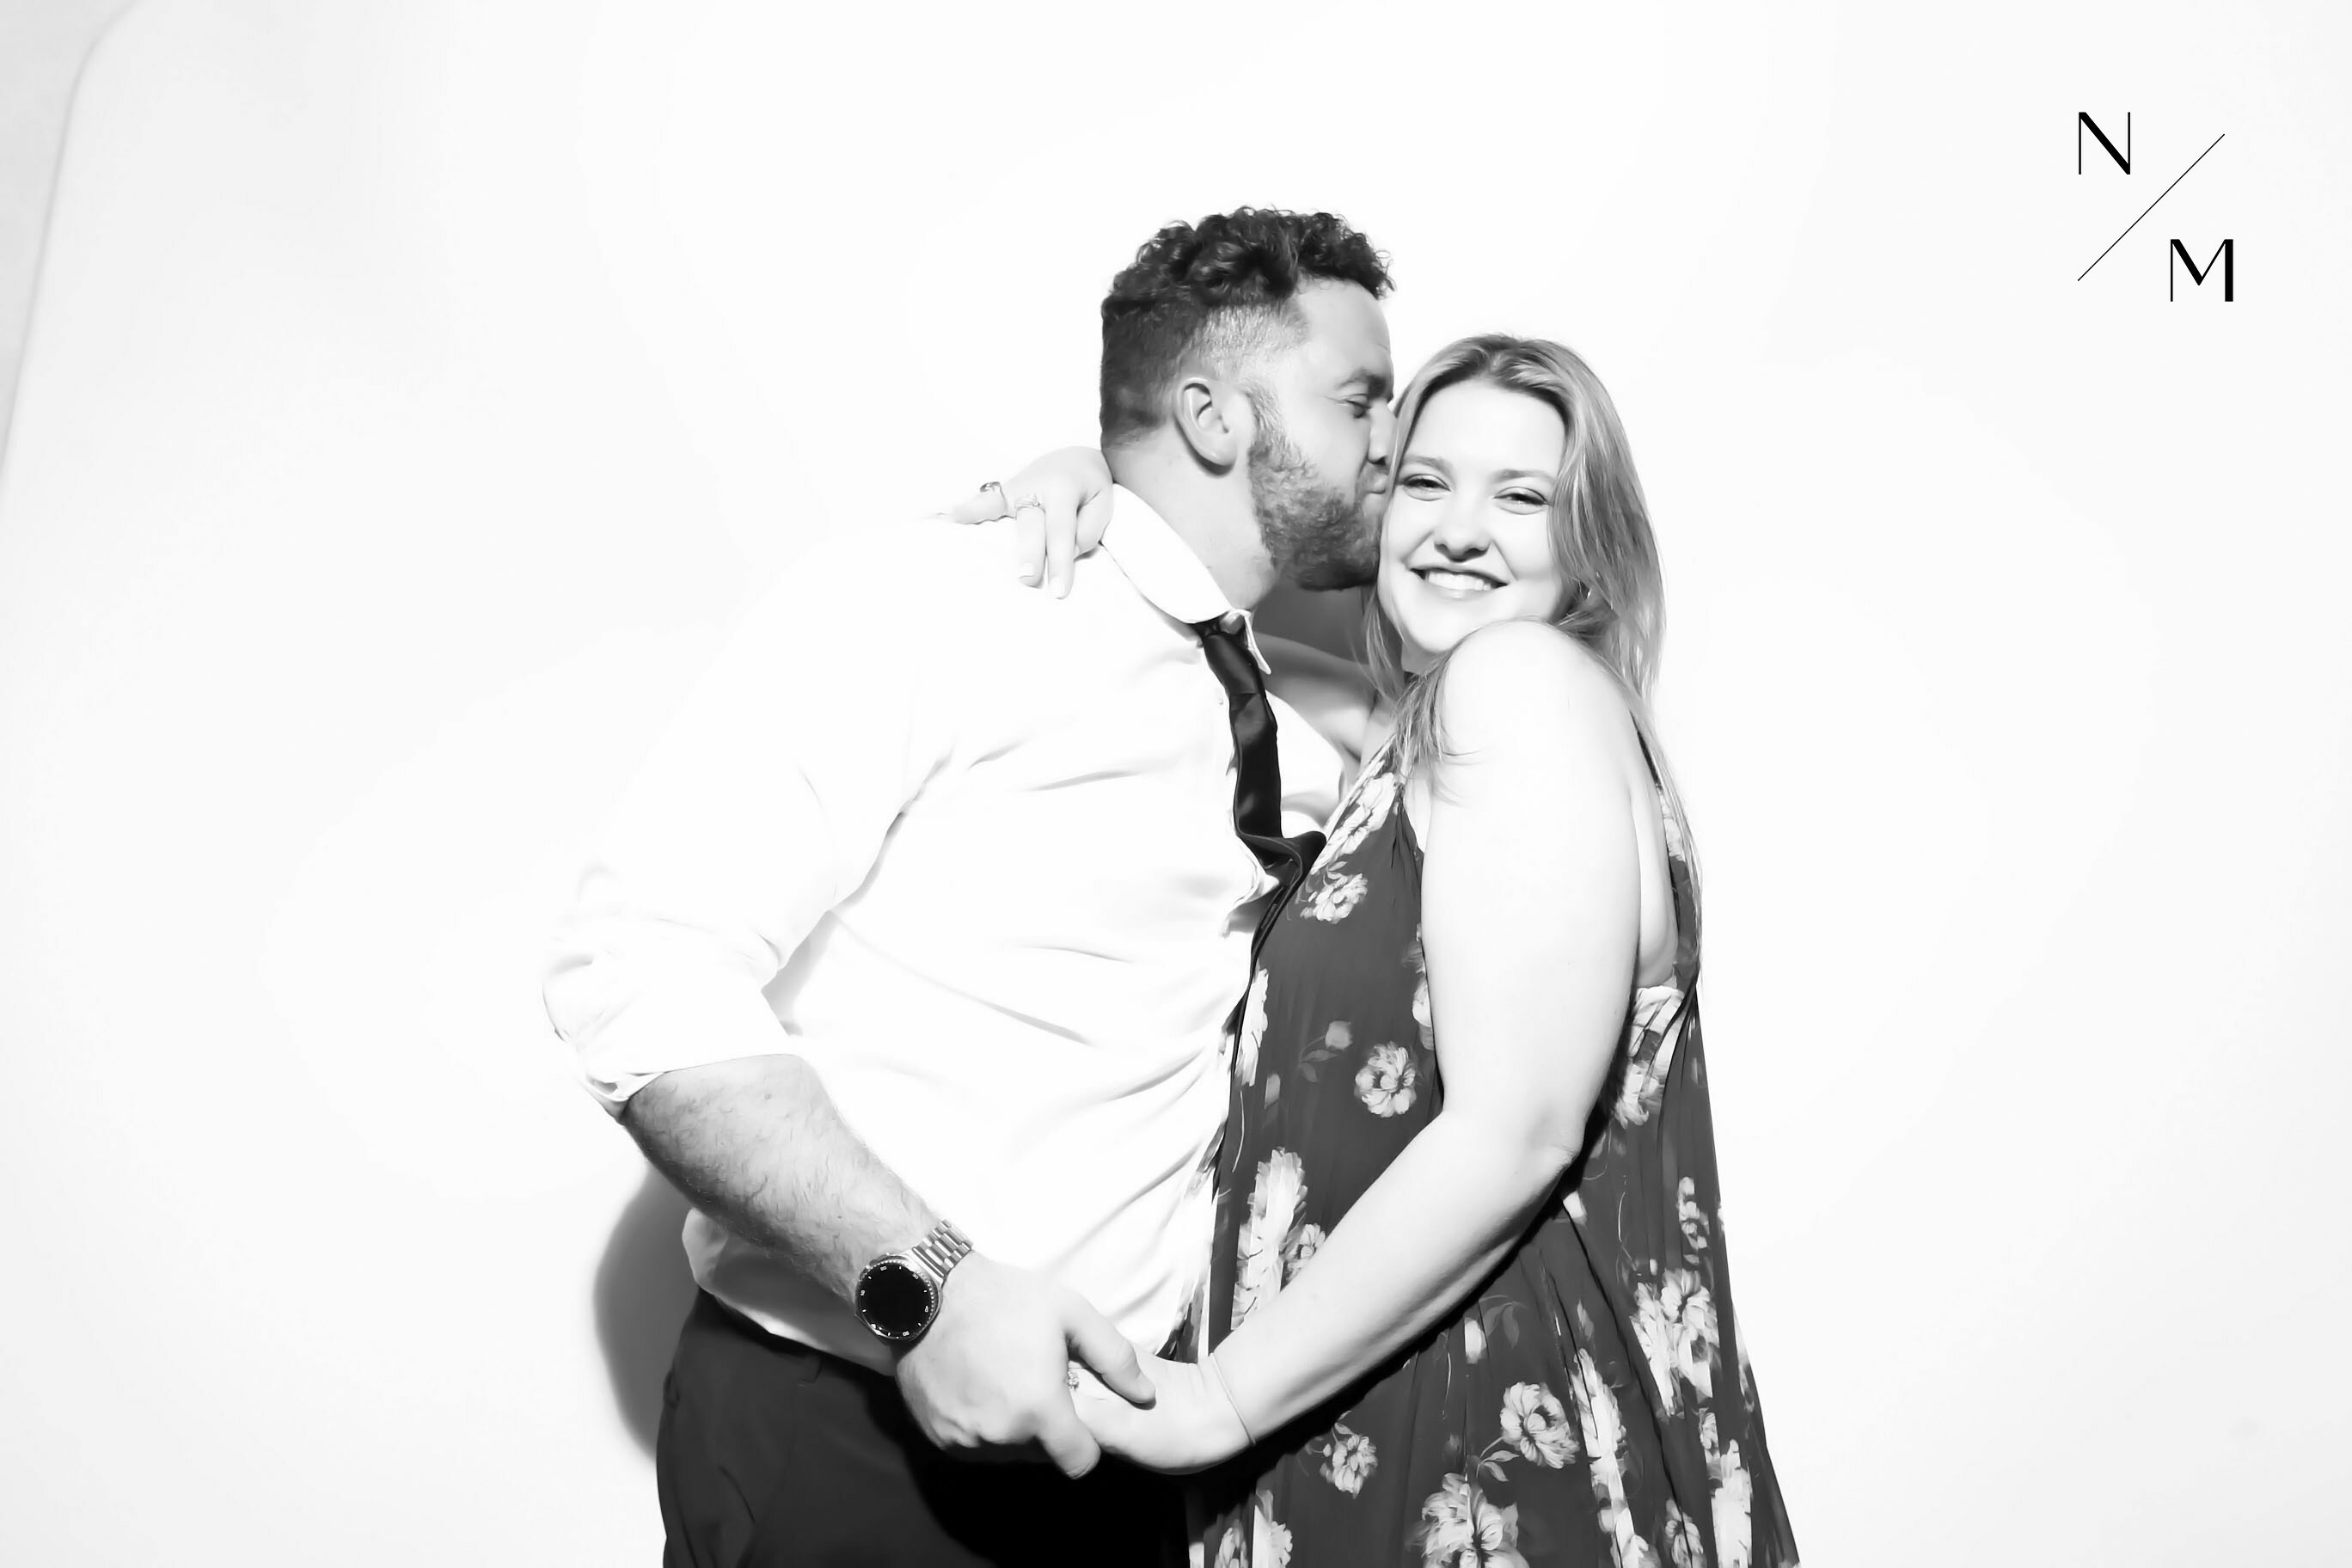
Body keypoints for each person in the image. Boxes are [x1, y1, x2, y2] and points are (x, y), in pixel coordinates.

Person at [541, 207, 1397, 1565]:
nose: (1394, 440)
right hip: (854, 1437)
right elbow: (636, 973)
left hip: (1126, 1469)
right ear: (1213, 416)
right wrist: (924, 1292)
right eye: (1361, 399)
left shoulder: (1298, 712)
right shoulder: (938, 603)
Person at [959, 334, 1799, 1566]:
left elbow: (1517, 1128)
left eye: (1521, 497)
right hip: (1383, 1410)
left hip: (1484, 1435)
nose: (1459, 530)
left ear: (1589, 543)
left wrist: (1220, 1400)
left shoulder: (1518, 686)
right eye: (1425, 482)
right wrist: (1101, 488)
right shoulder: (1412, 739)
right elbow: (1201, 647)